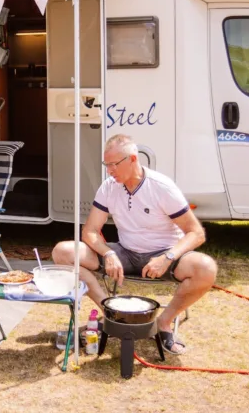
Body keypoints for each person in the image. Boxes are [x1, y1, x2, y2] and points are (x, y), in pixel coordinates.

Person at [51, 134, 218, 355]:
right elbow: (89, 231)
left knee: (206, 268)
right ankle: (112, 313)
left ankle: (163, 323)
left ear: (132, 159)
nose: (109, 171)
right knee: (62, 252)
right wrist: (108, 253)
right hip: (125, 252)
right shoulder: (109, 187)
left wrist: (167, 257)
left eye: (114, 165)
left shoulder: (161, 187)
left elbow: (196, 233)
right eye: (106, 165)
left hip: (164, 254)